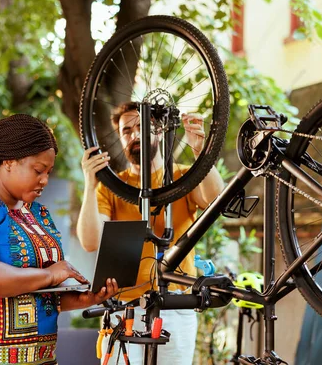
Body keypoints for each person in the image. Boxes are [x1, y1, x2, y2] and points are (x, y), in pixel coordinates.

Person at [0, 114, 118, 365]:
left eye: (49, 172)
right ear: (9, 161)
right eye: (38, 170)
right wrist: (52, 275)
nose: (45, 180)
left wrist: (85, 298)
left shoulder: (36, 214)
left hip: (39, 359)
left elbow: (38, 292)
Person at [77, 102, 224, 365]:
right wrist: (90, 183)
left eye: (141, 126)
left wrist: (200, 151)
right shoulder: (112, 187)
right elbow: (89, 241)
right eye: (126, 130)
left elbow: (215, 200)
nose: (134, 135)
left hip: (176, 304)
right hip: (124, 307)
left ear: (159, 130)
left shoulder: (181, 176)